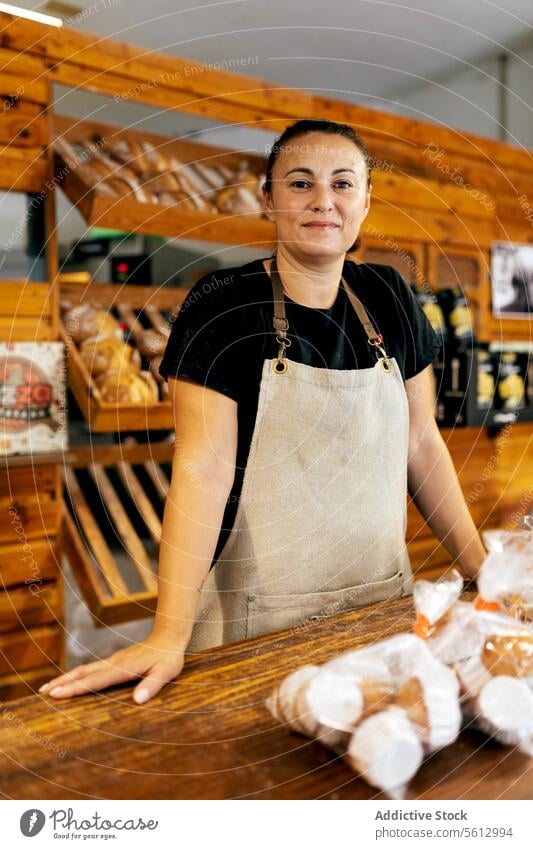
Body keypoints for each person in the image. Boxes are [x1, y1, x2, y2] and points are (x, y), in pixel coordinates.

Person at [40, 119, 486, 704]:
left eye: (343, 184)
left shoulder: (390, 297)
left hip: (380, 604)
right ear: (268, 200)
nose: (323, 200)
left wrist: (485, 576)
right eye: (300, 184)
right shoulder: (221, 304)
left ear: (365, 202)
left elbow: (421, 445)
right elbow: (202, 467)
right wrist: (168, 634)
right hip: (256, 615)